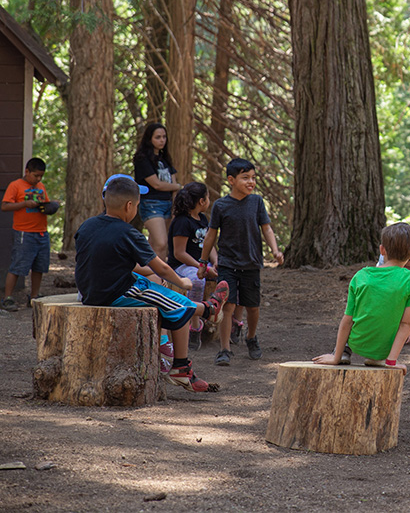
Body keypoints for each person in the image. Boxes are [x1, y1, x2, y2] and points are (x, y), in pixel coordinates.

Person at [75, 176, 228, 393]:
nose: (136, 209)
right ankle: (207, 312)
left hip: (92, 290)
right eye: (137, 205)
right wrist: (181, 280)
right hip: (115, 293)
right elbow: (162, 268)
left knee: (164, 293)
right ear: (129, 206)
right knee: (174, 303)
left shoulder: (88, 225)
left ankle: (185, 358)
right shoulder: (128, 233)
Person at [198, 158, 284, 366]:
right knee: (228, 306)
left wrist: (275, 249)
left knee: (253, 307)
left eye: (253, 178)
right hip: (227, 264)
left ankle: (251, 337)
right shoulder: (221, 206)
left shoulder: (256, 202)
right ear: (231, 180)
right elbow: (210, 235)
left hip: (252, 263)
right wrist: (203, 261)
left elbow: (267, 228)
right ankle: (225, 349)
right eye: (245, 178)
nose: (251, 182)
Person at [313, 223, 410, 373]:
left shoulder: (361, 275)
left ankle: (344, 353)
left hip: (356, 343)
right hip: (384, 348)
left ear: (382, 250)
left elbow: (347, 320)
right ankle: (380, 358)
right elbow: (406, 324)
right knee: (400, 327)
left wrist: (335, 357)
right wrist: (392, 363)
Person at [168, 182, 218, 351]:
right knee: (196, 280)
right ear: (202, 201)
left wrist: (215, 262)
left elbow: (208, 245)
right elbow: (179, 253)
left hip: (202, 263)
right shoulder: (182, 222)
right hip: (183, 266)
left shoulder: (203, 219)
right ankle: (195, 324)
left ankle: (230, 324)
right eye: (208, 197)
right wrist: (201, 266)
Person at [2, 158, 54, 311]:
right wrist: (25, 204)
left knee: (39, 266)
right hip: (25, 232)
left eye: (41, 176)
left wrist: (51, 207)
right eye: (36, 175)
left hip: (42, 232)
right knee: (18, 265)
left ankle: (34, 296)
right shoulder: (16, 186)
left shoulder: (41, 187)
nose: (38, 179)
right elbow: (5, 206)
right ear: (27, 172)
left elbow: (45, 204)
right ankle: (8, 298)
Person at [133, 122, 181, 260]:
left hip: (168, 204)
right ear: (149, 139)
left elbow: (172, 182)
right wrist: (178, 186)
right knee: (161, 243)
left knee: (156, 245)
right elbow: (157, 184)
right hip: (151, 204)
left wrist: (175, 203)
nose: (162, 140)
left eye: (164, 137)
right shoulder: (142, 159)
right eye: (158, 137)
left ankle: (150, 277)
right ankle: (160, 279)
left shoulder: (165, 159)